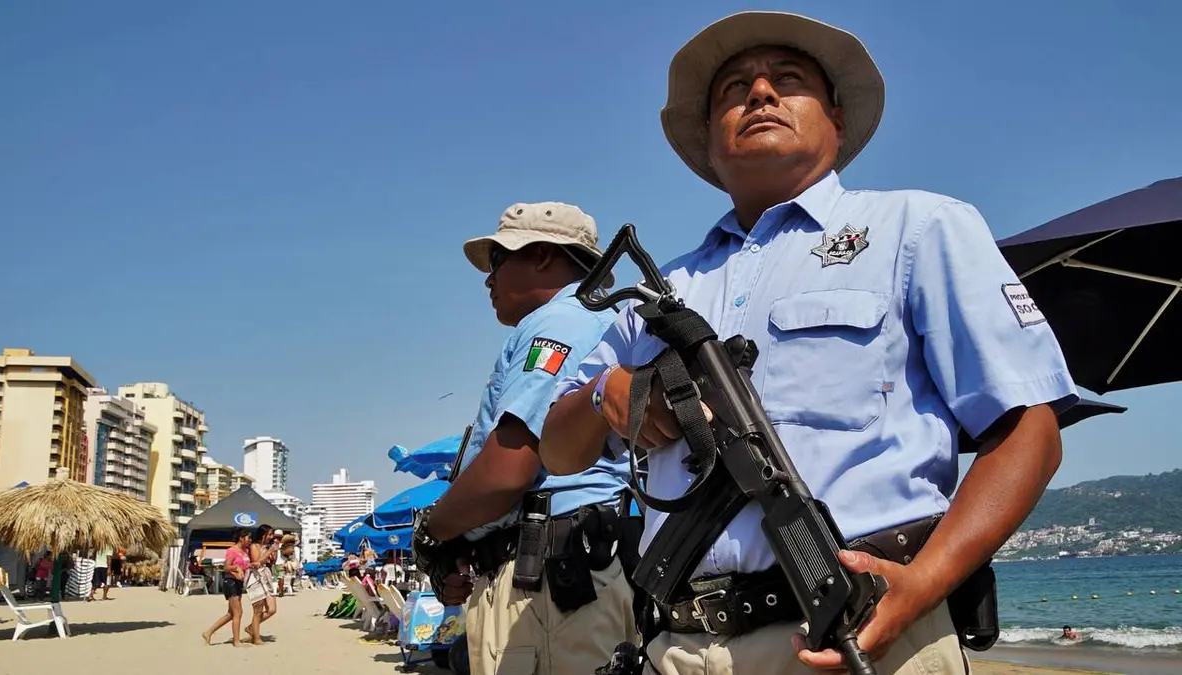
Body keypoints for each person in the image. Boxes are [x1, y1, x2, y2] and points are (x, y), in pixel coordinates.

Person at [540, 10, 1079, 675]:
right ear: (708, 141)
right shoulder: (665, 290)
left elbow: (1030, 429)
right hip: (679, 647)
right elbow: (556, 450)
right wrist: (605, 392)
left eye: (786, 80)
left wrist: (924, 584)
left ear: (837, 121)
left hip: (864, 632)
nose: (759, 93)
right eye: (734, 89)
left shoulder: (918, 229)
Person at [413, 202, 639, 675]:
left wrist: (433, 533)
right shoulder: (596, 320)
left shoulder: (560, 321)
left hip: (552, 585)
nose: (488, 280)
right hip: (565, 573)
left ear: (541, 256)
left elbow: (509, 468)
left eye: (497, 260)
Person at [203, 528, 253, 647]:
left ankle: (208, 632)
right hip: (230, 582)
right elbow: (226, 567)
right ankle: (236, 641)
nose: (250, 540)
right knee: (238, 612)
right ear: (241, 538)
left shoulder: (245, 551)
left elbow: (245, 565)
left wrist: (251, 566)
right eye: (248, 538)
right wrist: (236, 568)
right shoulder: (232, 550)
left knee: (231, 614)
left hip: (239, 583)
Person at [245, 524, 279, 645]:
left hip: (267, 576)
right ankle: (256, 637)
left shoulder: (267, 546)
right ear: (262, 534)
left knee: (272, 609)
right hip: (257, 577)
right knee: (258, 610)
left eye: (272, 534)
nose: (271, 537)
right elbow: (256, 562)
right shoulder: (254, 546)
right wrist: (269, 551)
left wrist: (273, 552)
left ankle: (251, 627)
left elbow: (271, 562)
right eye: (269, 534)